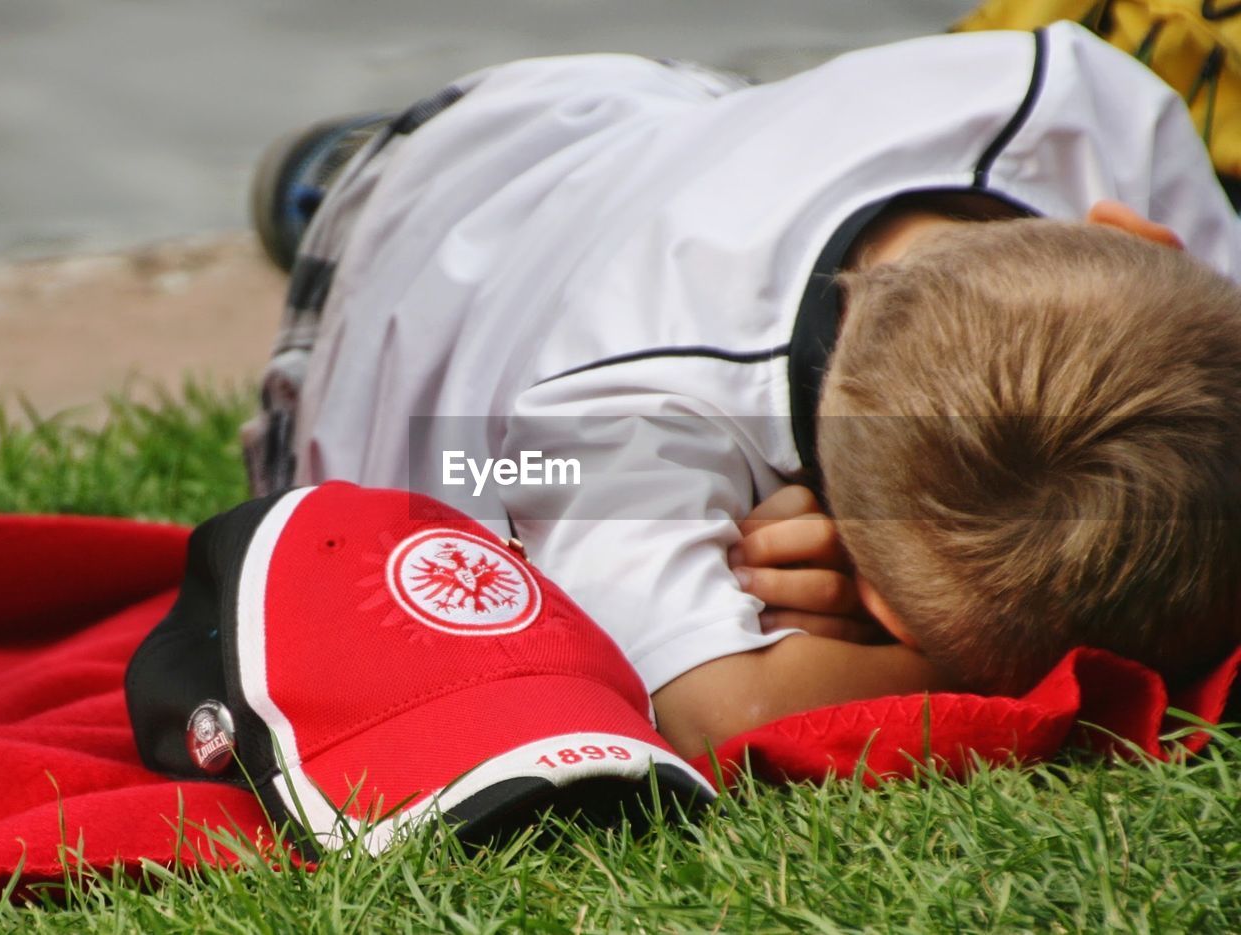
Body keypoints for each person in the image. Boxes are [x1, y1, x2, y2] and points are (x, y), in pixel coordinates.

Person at [242, 21, 1241, 757]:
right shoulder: (617, 418)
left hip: (653, 126)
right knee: (408, 400)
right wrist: (948, 657)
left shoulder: (1078, 98)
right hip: (408, 265)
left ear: (1131, 234)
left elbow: (720, 705)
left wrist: (912, 582)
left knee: (679, 121)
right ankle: (340, 179)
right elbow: (729, 712)